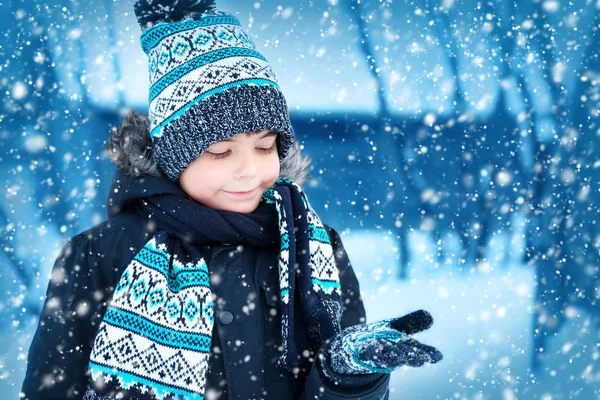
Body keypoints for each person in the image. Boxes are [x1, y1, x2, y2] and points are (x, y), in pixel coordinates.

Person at [20, 1, 443, 399]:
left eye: (265, 147)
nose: (249, 170)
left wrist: (347, 374)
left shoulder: (312, 248)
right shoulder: (99, 254)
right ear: (173, 157)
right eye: (220, 152)